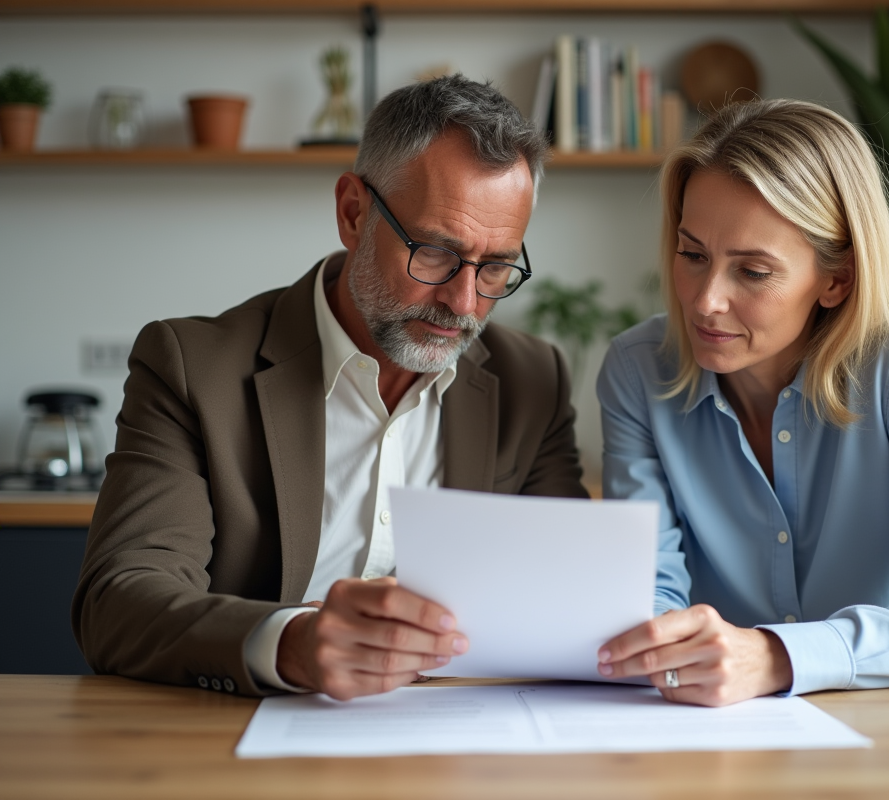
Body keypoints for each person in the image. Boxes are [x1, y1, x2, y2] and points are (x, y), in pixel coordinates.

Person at [73, 75, 588, 700]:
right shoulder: (193, 368)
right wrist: (290, 643)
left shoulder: (532, 380)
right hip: (238, 734)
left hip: (458, 732)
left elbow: (571, 593)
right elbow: (118, 600)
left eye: (497, 266)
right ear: (353, 213)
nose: (463, 302)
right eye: (434, 252)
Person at [594, 99, 889, 707]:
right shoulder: (637, 370)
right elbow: (647, 590)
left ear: (837, 279)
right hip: (711, 723)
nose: (705, 301)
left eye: (753, 271)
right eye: (693, 255)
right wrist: (656, 644)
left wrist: (778, 656)